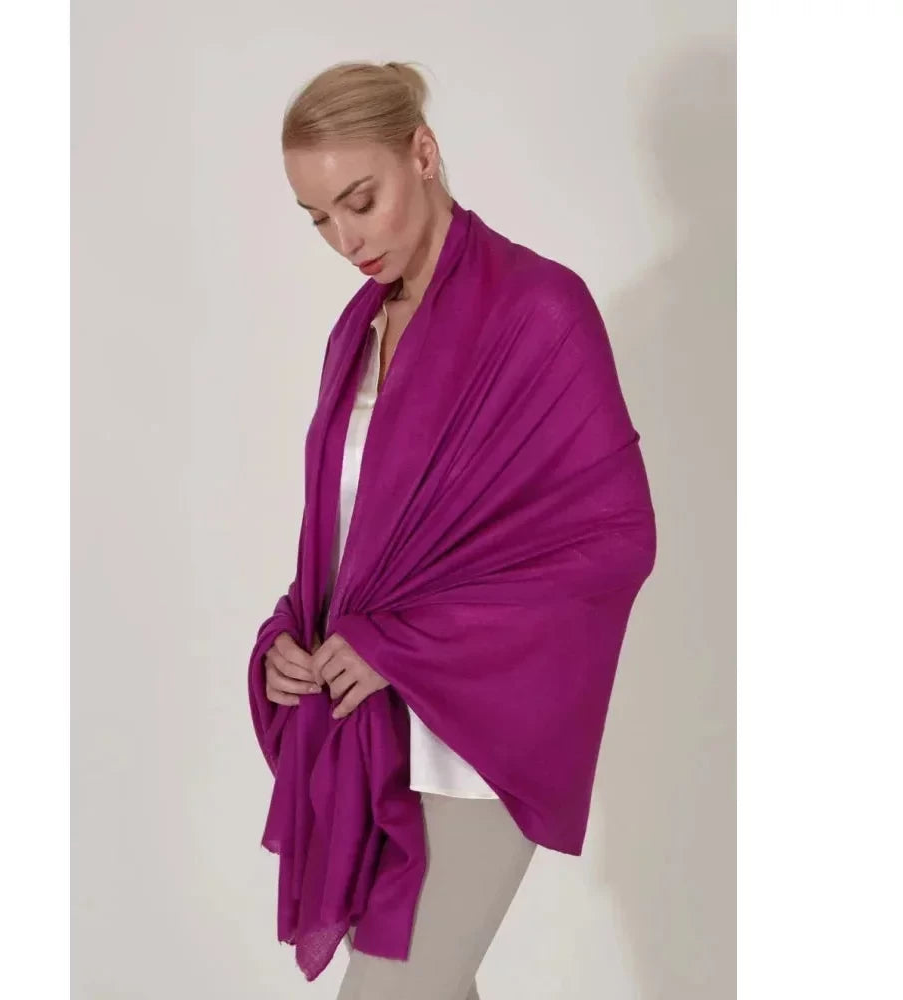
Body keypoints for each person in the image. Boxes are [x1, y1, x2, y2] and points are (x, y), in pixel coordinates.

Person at [250, 60, 656, 998]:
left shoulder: (539, 309)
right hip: (372, 731)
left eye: (361, 200)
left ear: (424, 154)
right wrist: (289, 640)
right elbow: (352, 543)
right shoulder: (356, 333)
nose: (346, 239)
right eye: (318, 218)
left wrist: (400, 641)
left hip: (478, 733)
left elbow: (613, 541)